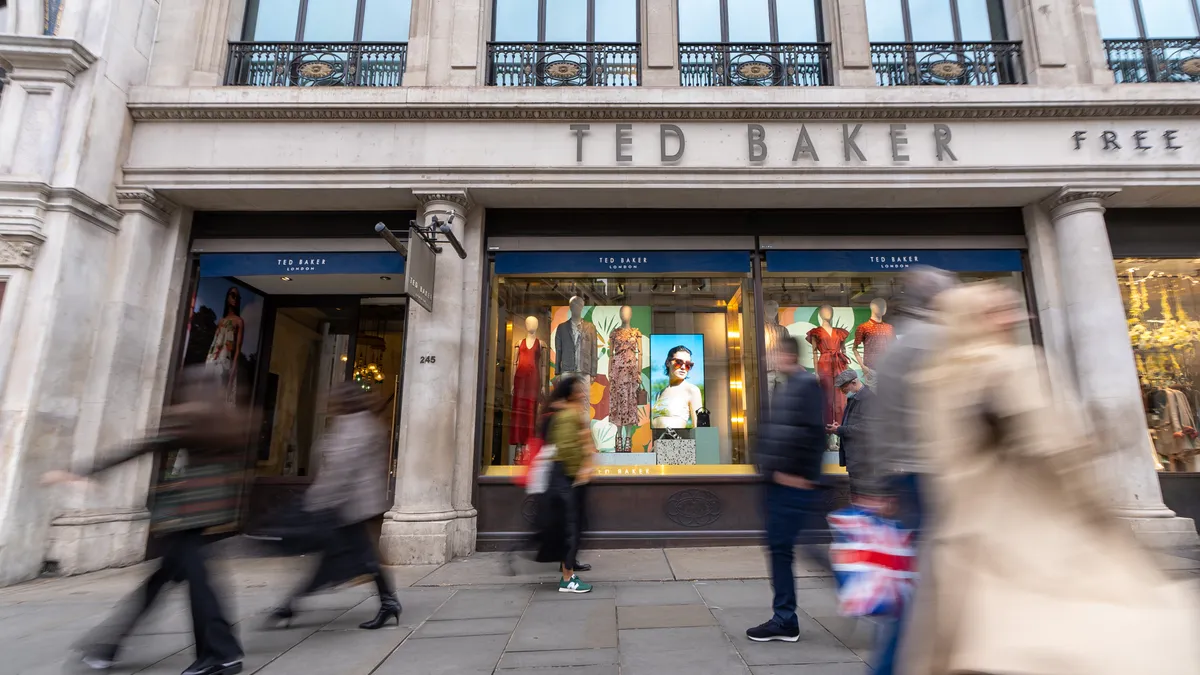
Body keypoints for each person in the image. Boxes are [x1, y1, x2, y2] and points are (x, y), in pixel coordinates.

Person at [901, 282, 1200, 675]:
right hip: (1035, 533)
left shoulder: (936, 377)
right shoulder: (1014, 365)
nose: (1014, 317)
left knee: (983, 643)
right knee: (1077, 636)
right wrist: (1099, 507)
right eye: (996, 311)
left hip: (969, 540)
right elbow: (1059, 452)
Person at [42, 367, 249, 675]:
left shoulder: (187, 416)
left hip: (186, 511)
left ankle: (221, 654)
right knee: (161, 581)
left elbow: (139, 447)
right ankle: (108, 647)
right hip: (212, 506)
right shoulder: (228, 419)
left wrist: (84, 471)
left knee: (197, 585)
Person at [861, 266, 955, 675]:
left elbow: (880, 423)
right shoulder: (940, 343)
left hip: (908, 476)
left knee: (914, 582)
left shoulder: (900, 348)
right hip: (938, 476)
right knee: (928, 583)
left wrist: (880, 481)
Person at [263, 381, 400, 630]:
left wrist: (316, 501)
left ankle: (290, 605)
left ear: (345, 401)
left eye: (333, 399)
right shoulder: (358, 423)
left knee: (352, 559)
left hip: (347, 507)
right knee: (351, 559)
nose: (329, 404)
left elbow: (340, 471)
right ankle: (290, 604)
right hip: (350, 506)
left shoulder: (355, 426)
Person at [747, 335, 830, 643]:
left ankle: (786, 619)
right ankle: (785, 617)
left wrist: (800, 476)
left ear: (787, 355)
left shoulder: (806, 386)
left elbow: (813, 436)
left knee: (792, 549)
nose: (772, 358)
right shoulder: (787, 387)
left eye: (776, 353)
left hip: (792, 484)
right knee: (784, 548)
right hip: (777, 483)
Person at [541, 375, 595, 593]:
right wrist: (580, 472)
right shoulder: (566, 415)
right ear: (570, 393)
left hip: (566, 478)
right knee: (570, 526)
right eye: (579, 390)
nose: (583, 394)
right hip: (566, 478)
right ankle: (567, 578)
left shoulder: (568, 412)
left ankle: (568, 565)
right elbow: (567, 448)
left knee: (574, 525)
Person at [829, 368, 874, 495]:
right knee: (857, 494)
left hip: (863, 459)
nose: (843, 392)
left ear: (854, 382)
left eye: (844, 388)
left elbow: (867, 427)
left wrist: (841, 429)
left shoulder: (868, 399)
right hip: (856, 458)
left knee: (862, 495)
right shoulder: (854, 398)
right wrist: (840, 427)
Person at [205, 286, 244, 404]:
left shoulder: (239, 321)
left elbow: (238, 348)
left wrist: (234, 367)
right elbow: (216, 341)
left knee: (221, 393)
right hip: (213, 357)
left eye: (237, 297)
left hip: (225, 360)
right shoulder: (221, 321)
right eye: (232, 295)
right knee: (209, 392)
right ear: (227, 297)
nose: (235, 299)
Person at [651, 345, 703, 429]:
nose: (683, 367)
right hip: (655, 440)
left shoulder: (692, 390)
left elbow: (700, 428)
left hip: (676, 441)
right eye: (679, 362)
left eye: (688, 364)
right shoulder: (659, 393)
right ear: (668, 362)